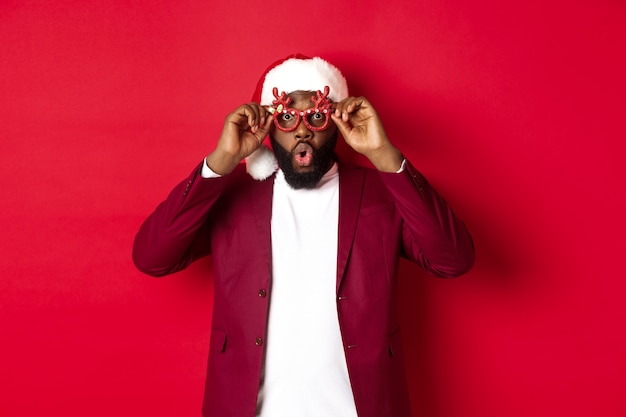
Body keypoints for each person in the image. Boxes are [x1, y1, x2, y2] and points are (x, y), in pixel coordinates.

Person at [132, 54, 475, 417]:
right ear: (268, 124)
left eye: (316, 115)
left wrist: (384, 155)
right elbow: (152, 257)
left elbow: (453, 259)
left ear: (337, 121)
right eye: (286, 116)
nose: (301, 130)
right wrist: (221, 161)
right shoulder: (234, 196)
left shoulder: (381, 193)